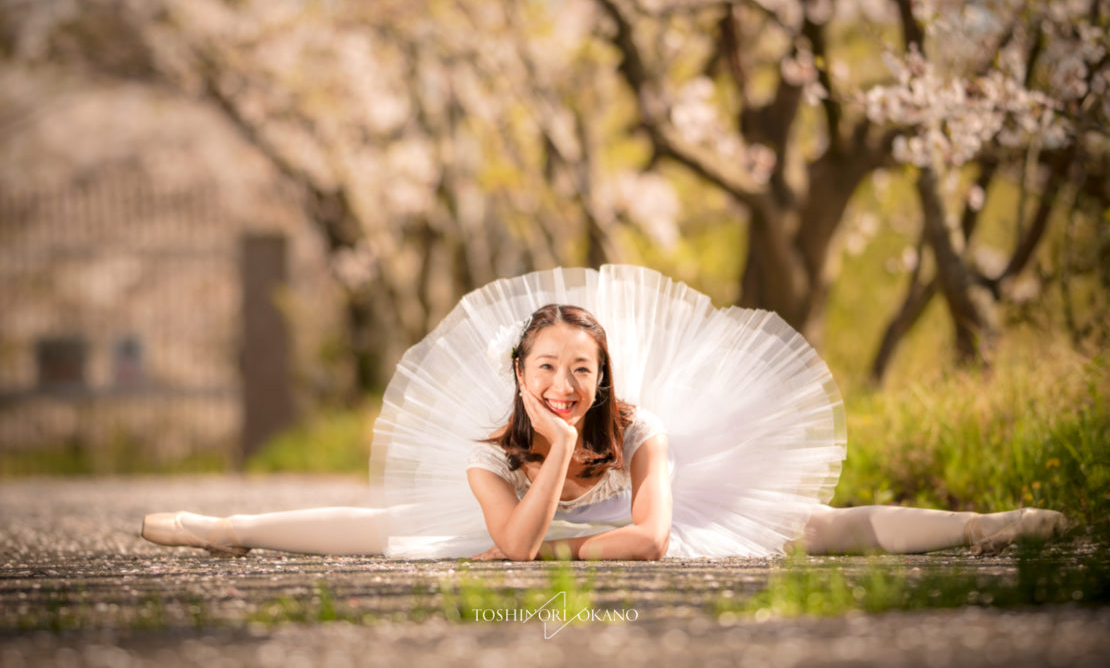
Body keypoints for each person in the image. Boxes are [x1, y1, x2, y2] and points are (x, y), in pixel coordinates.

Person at [141, 265, 1067, 560]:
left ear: (603, 373)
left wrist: (581, 538)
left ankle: (987, 527)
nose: (565, 385)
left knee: (818, 526)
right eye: (547, 368)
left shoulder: (638, 426)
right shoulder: (485, 440)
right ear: (520, 371)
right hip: (543, 508)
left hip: (631, 517)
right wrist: (550, 453)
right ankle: (223, 526)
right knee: (388, 529)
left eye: (581, 370)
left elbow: (656, 538)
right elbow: (508, 547)